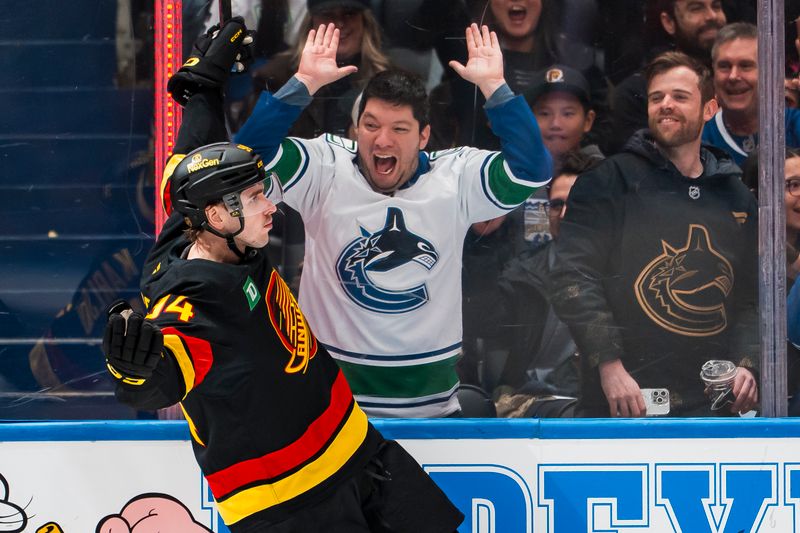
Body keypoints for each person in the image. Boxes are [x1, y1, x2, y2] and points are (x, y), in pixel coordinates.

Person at [103, 18, 463, 532]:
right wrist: (135, 373)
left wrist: (202, 90)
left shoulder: (191, 223)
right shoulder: (195, 301)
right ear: (218, 216)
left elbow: (191, 155)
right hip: (292, 503)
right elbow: (163, 376)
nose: (269, 206)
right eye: (253, 199)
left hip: (355, 450)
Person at [235, 23, 552, 417]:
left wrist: (495, 89)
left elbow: (532, 171)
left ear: (423, 137)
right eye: (371, 126)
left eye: (399, 129)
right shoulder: (326, 165)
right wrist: (302, 84)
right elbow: (244, 161)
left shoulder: (455, 176)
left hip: (431, 409)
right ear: (355, 129)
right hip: (328, 406)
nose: (382, 141)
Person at [550, 51, 759, 418]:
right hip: (623, 399)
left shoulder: (735, 195)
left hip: (713, 406)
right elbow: (574, 278)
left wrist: (747, 365)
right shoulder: (607, 182)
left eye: (680, 96)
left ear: (710, 109)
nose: (666, 105)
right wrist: (608, 365)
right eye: (656, 97)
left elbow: (751, 297)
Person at [245, 0, 391, 287]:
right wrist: (303, 82)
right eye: (329, 15)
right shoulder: (276, 77)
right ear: (311, 21)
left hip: (366, 221)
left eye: (349, 14)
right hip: (287, 222)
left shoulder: (393, 83)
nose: (340, 24)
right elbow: (249, 155)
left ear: (366, 21)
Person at [489, 150, 600, 418]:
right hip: (537, 408)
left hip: (605, 407)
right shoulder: (519, 277)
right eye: (556, 205)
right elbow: (496, 378)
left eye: (576, 202)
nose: (563, 214)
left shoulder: (630, 275)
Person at [609, 0, 727, 153]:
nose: (711, 16)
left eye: (716, 6)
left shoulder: (741, 80)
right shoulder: (636, 92)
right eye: (696, 8)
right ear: (669, 22)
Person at [702, 22, 800, 166]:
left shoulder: (793, 124)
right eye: (724, 66)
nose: (733, 76)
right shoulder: (701, 140)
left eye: (745, 65)